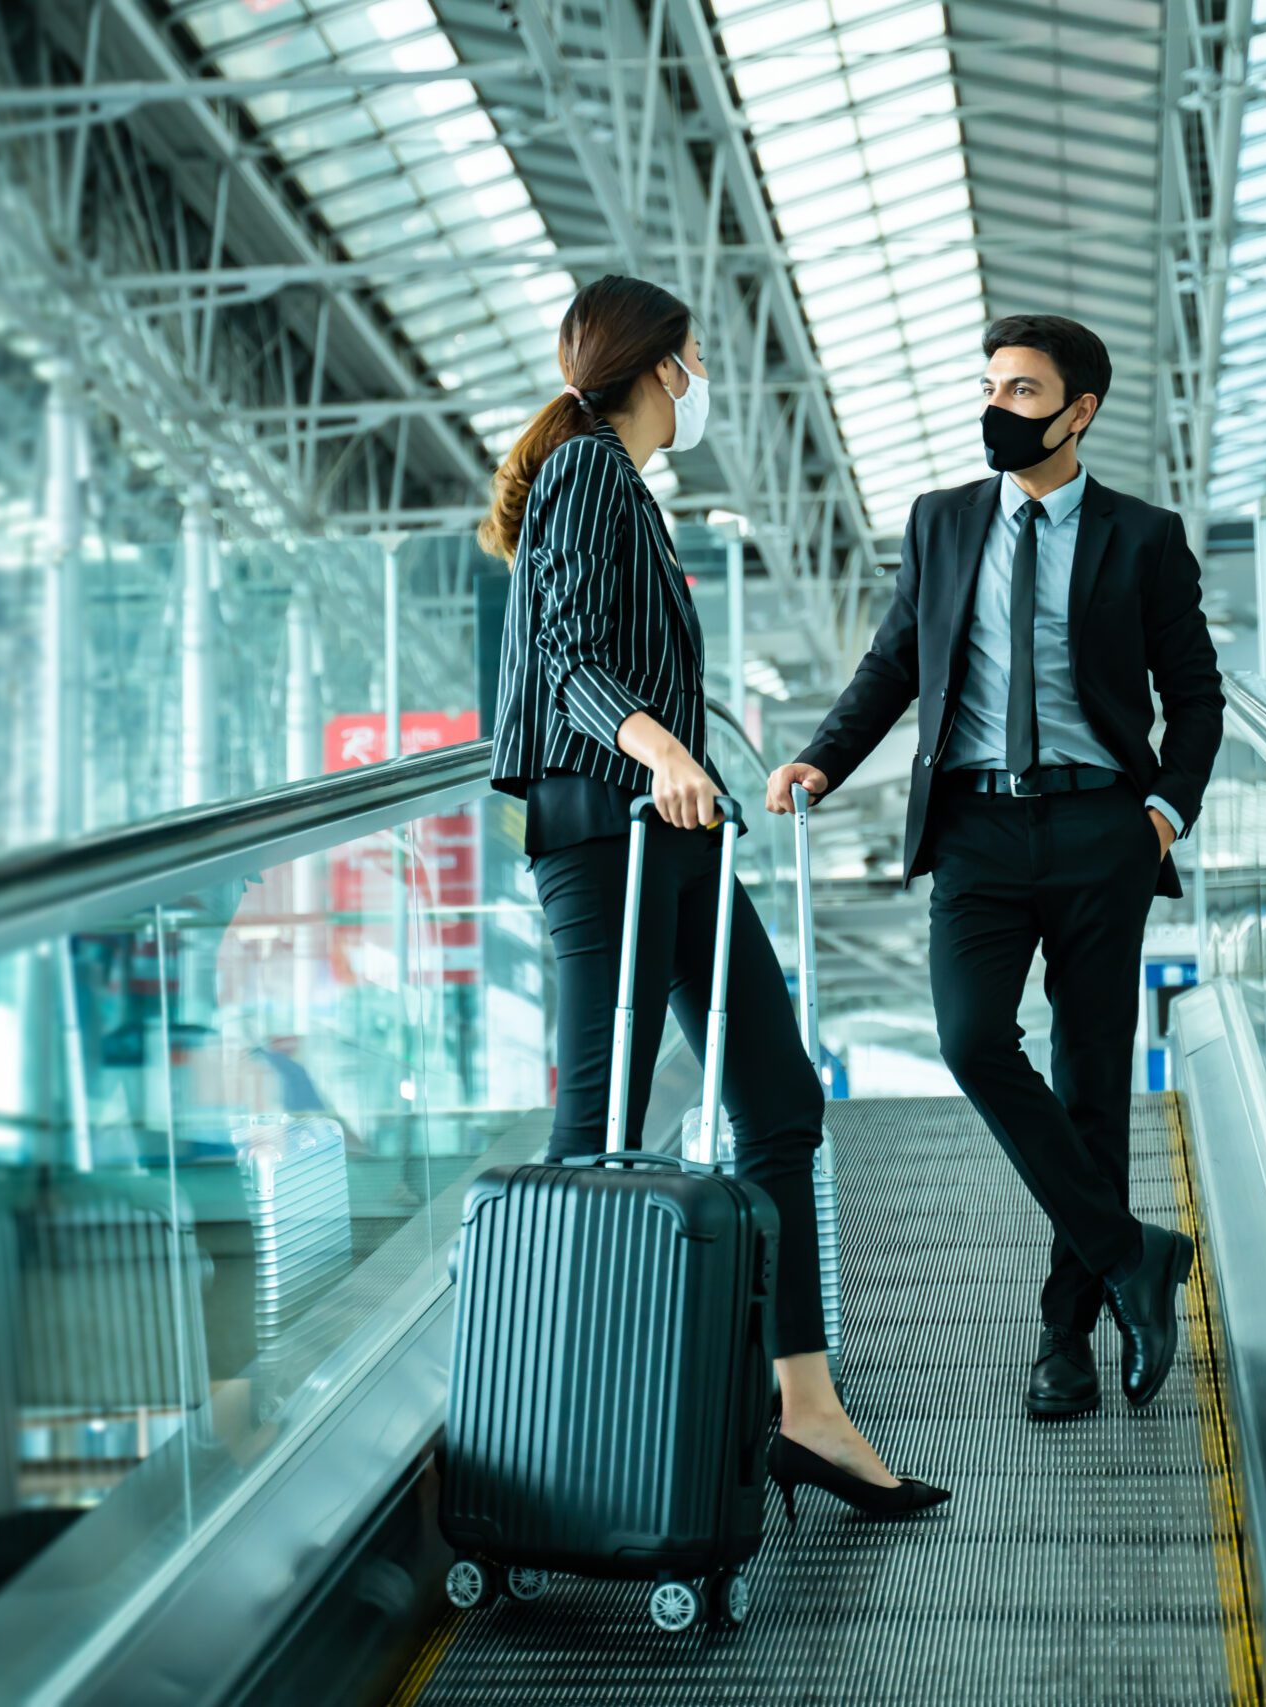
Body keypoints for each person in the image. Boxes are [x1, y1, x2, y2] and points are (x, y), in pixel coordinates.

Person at [485, 276, 947, 1519]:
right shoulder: (585, 472)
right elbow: (570, 652)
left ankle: (807, 1411)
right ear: (660, 366)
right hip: (606, 835)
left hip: (666, 835)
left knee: (778, 1101)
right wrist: (664, 749)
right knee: (597, 1125)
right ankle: (554, 1432)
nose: (700, 384)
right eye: (693, 360)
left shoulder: (620, 488)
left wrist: (674, 769)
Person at [767, 313, 1224, 1418]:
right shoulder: (940, 523)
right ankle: (1131, 1255)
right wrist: (822, 761)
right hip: (974, 826)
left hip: (1099, 830)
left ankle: (1064, 1336)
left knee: (1090, 1080)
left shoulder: (1143, 537)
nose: (997, 408)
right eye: (989, 386)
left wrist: (1163, 811)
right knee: (972, 1039)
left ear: (1080, 411)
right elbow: (894, 663)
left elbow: (1195, 694)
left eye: (1022, 391)